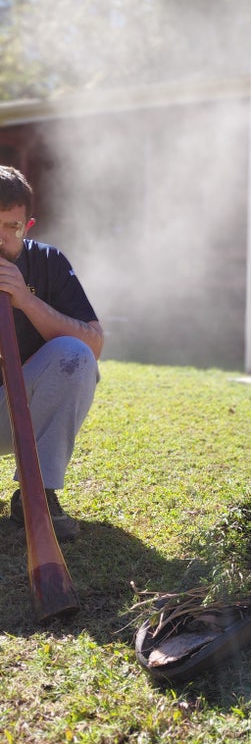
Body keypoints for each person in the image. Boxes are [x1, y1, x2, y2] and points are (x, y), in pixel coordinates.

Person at [0, 166, 103, 541]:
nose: (0, 239)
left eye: (10, 227)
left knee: (73, 354)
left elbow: (93, 345)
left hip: (17, 414)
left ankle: (35, 494)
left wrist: (26, 301)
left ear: (27, 225)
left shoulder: (48, 262)